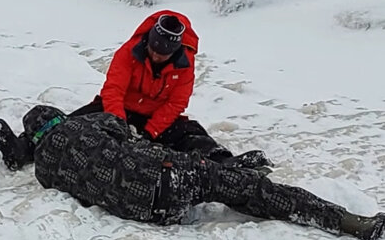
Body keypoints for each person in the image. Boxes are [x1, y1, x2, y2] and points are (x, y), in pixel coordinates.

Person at [0, 105, 385, 240]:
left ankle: (227, 173)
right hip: (168, 176)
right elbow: (124, 131)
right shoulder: (86, 124)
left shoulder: (43, 170)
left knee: (216, 182)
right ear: (58, 117)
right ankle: (351, 223)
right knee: (255, 192)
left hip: (147, 210)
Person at [71, 10, 265, 165]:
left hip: (156, 120)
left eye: (162, 54)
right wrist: (118, 124)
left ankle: (227, 163)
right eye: (153, 51)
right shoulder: (128, 52)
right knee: (73, 124)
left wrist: (149, 133)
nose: (156, 57)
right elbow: (113, 90)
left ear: (174, 51)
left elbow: (176, 103)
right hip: (119, 110)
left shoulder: (185, 66)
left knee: (194, 135)